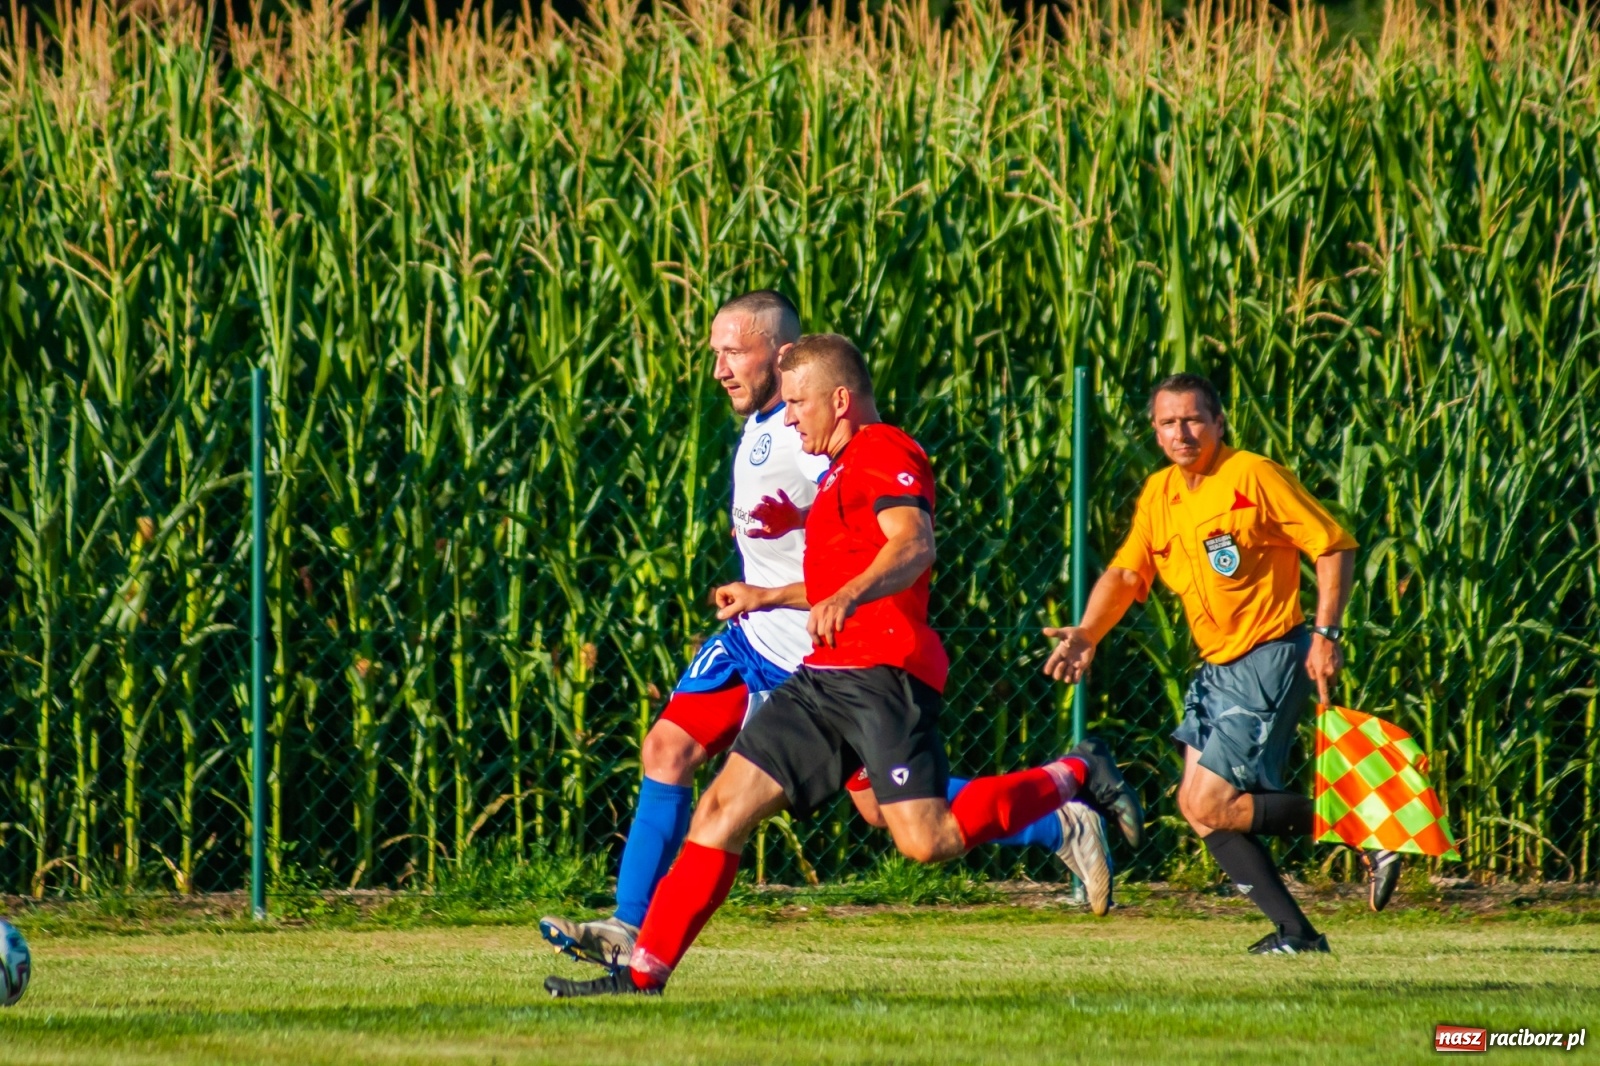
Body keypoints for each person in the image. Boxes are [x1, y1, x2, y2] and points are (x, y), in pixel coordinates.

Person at [544, 333, 1142, 998]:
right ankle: (642, 975)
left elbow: (913, 546)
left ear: (841, 398)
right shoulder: (836, 471)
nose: (791, 415)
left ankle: (1075, 774)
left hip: (884, 676)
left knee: (924, 839)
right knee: (720, 808)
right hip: (821, 678)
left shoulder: (885, 449)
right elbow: (839, 574)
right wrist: (767, 595)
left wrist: (852, 595)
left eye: (799, 402)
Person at [1040, 373, 1398, 956]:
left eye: (1193, 420)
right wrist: (1088, 632)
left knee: (1210, 802)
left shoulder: (1251, 474)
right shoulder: (1159, 494)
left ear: (1218, 422)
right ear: (1154, 431)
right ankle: (1298, 935)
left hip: (1269, 652)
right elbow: (1130, 574)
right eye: (1167, 422)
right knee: (1201, 812)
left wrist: (1326, 633)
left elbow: (1333, 544)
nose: (1181, 432)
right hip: (1216, 667)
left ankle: (1367, 828)